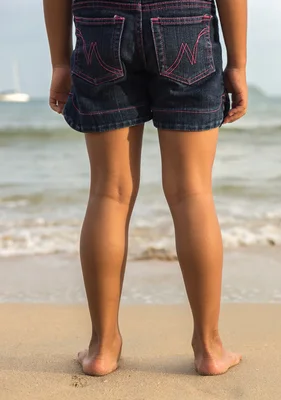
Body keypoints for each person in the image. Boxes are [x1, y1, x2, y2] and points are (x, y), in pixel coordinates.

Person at [43, 0, 247, 376]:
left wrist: (59, 62)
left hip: (100, 22)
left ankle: (102, 348)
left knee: (109, 192)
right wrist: (237, 63)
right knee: (192, 192)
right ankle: (209, 347)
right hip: (185, 20)